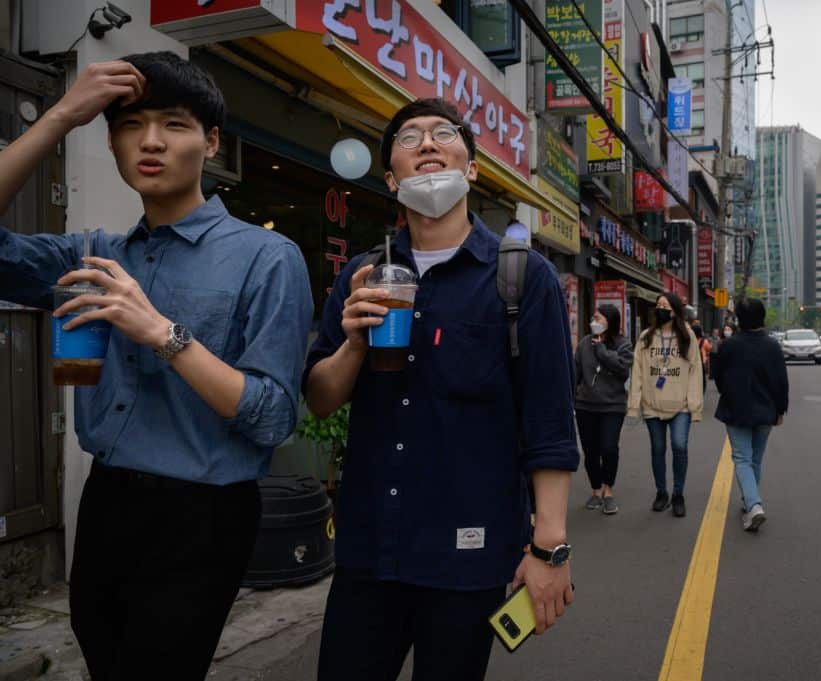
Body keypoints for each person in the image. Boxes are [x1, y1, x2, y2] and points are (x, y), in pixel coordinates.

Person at [0, 53, 312, 680]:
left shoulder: (267, 257)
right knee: (102, 654)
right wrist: (61, 115)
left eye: (174, 124)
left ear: (211, 141)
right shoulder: (90, 254)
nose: (150, 141)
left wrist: (163, 333)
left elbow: (273, 417)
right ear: (111, 140)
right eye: (130, 124)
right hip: (109, 498)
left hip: (204, 513)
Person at [303, 98, 578, 681]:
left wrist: (549, 548)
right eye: (409, 139)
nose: (427, 144)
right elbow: (321, 397)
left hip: (468, 557)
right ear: (391, 178)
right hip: (369, 553)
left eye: (444, 134)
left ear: (471, 168)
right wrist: (353, 340)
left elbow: (549, 422)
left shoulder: (523, 277)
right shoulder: (361, 275)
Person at [712, 299, 788, 532]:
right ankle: (749, 502)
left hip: (736, 409)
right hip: (766, 411)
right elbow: (780, 382)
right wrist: (780, 409)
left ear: (739, 320)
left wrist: (729, 392)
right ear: (762, 317)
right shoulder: (772, 346)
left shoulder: (728, 345)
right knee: (754, 459)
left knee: (742, 458)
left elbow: (717, 376)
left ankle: (754, 504)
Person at [627, 292, 703, 518]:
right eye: (658, 305)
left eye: (665, 305)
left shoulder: (687, 336)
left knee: (679, 446)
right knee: (657, 450)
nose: (660, 308)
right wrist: (634, 404)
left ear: (675, 310)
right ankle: (662, 492)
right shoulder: (645, 337)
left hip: (681, 406)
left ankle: (678, 494)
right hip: (652, 405)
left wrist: (694, 405)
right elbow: (637, 372)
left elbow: (695, 372)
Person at [574, 305, 633, 515]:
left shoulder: (623, 344)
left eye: (599, 318)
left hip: (612, 406)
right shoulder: (583, 344)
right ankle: (596, 490)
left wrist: (601, 351)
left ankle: (609, 490)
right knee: (590, 451)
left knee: (609, 448)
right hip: (585, 405)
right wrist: (573, 396)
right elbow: (576, 372)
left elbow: (623, 369)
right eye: (593, 317)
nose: (594, 321)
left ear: (610, 321)